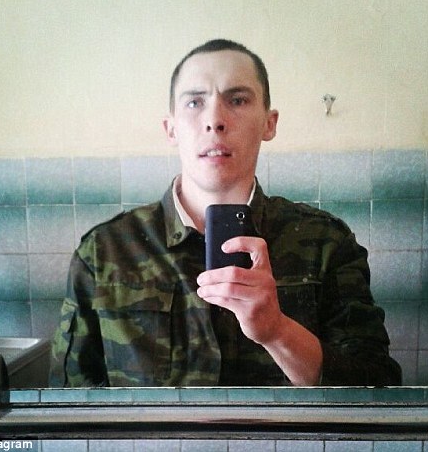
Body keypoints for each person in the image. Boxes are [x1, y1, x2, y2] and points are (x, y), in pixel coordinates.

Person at [50, 39, 401, 387]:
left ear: (269, 123)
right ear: (171, 129)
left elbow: (376, 388)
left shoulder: (325, 243)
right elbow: (68, 401)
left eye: (237, 100)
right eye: (195, 102)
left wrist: (277, 331)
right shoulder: (103, 252)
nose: (215, 120)